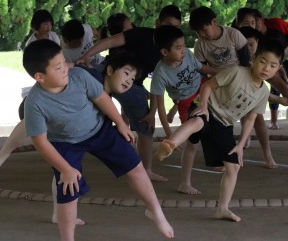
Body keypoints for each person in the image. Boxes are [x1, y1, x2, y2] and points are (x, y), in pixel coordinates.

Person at [22, 40, 174, 239]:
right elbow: (41, 143)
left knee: (135, 165)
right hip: (64, 143)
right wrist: (65, 169)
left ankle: (155, 210)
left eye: (64, 62)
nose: (66, 69)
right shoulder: (35, 102)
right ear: (40, 77)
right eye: (58, 68)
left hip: (99, 130)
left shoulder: (79, 76)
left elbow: (101, 98)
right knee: (68, 190)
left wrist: (119, 123)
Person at [0, 51, 142, 225]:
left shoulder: (100, 90)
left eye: (132, 78)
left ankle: (58, 214)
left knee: (63, 165)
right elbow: (68, 68)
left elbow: (104, 103)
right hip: (42, 109)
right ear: (111, 70)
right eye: (126, 74)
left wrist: (121, 123)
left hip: (61, 122)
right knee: (34, 148)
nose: (129, 81)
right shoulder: (88, 76)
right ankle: (3, 155)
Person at [155, 40, 288, 221]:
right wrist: (202, 106)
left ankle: (223, 208)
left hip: (224, 124)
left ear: (278, 68)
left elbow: (250, 118)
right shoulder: (236, 72)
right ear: (254, 58)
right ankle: (170, 144)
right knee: (198, 124)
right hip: (207, 108)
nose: (266, 68)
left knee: (233, 167)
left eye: (272, 65)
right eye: (263, 61)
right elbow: (207, 86)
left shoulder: (263, 93)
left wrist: (241, 144)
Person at [76, 5, 182, 182]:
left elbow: (158, 85)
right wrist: (87, 55)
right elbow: (110, 41)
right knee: (82, 92)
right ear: (158, 23)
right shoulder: (142, 33)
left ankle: (146, 170)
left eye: (176, 27)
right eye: (168, 24)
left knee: (146, 128)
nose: (171, 30)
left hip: (133, 86)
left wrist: (152, 113)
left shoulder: (168, 51)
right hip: (108, 72)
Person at [190, 6, 278, 168]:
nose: (201, 35)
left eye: (203, 30)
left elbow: (245, 60)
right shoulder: (200, 45)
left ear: (214, 22)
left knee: (256, 117)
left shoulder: (233, 35)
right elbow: (201, 68)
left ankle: (268, 155)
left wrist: (243, 79)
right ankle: (219, 157)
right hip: (220, 85)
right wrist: (222, 72)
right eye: (197, 33)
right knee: (219, 121)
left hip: (241, 78)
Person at [151, 25, 216, 195]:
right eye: (178, 48)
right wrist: (167, 132)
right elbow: (159, 105)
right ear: (165, 52)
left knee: (218, 121)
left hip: (203, 87)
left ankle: (217, 158)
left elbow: (202, 69)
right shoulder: (160, 74)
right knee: (192, 144)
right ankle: (184, 183)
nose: (184, 50)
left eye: (184, 45)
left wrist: (223, 72)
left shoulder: (187, 54)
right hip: (185, 101)